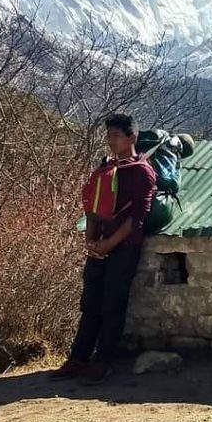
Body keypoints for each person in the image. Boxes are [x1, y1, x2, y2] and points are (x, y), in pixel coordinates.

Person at [51, 113, 156, 383]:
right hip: (99, 245)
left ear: (132, 137)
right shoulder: (106, 169)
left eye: (116, 136)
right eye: (108, 136)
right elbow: (94, 208)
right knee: (90, 304)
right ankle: (78, 358)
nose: (111, 141)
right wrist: (91, 239)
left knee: (112, 304)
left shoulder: (142, 172)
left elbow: (137, 217)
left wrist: (109, 243)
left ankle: (103, 361)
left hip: (124, 247)